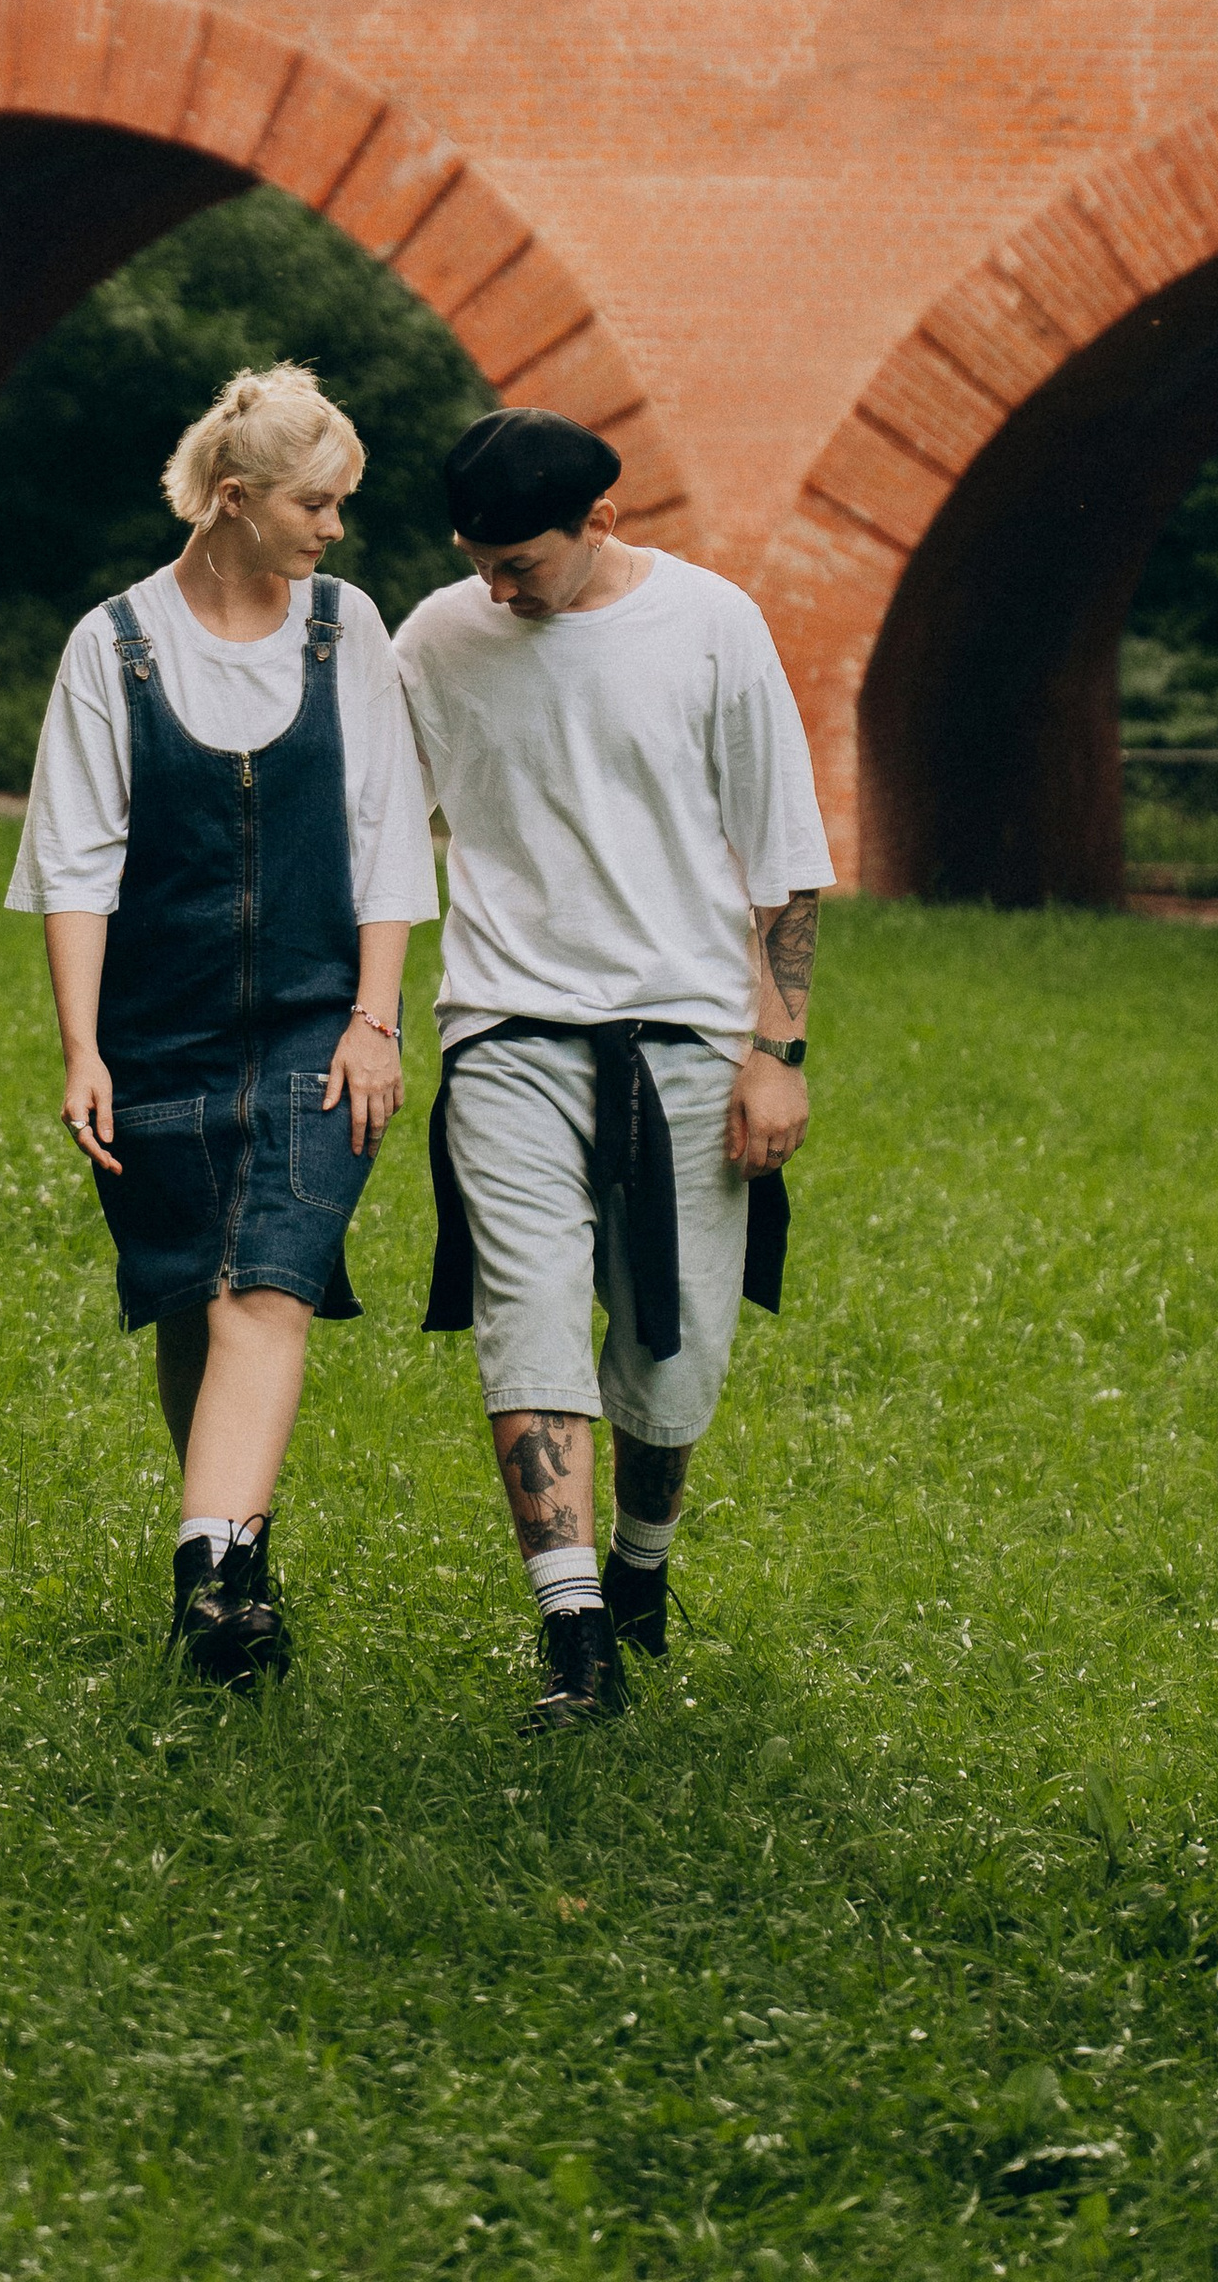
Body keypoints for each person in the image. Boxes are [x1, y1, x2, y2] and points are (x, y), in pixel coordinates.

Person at [393, 407, 831, 1733]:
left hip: (690, 1041)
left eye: (521, 560)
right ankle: (575, 1638)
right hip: (507, 1029)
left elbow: (783, 857)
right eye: (479, 559)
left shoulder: (711, 628)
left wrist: (777, 1051)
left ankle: (639, 1569)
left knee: (671, 1361)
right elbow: (376, 836)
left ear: (606, 522)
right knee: (528, 1321)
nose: (497, 587)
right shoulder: (439, 637)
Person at [8, 363, 436, 1684]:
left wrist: (377, 1019)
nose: (336, 530)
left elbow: (387, 830)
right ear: (237, 500)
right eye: (319, 504)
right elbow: (75, 860)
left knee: (267, 1286)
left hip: (320, 1022)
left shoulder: (346, 627)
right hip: (159, 1030)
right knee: (195, 1295)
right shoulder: (114, 644)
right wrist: (82, 1048)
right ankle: (237, 1548)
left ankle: (209, 1577)